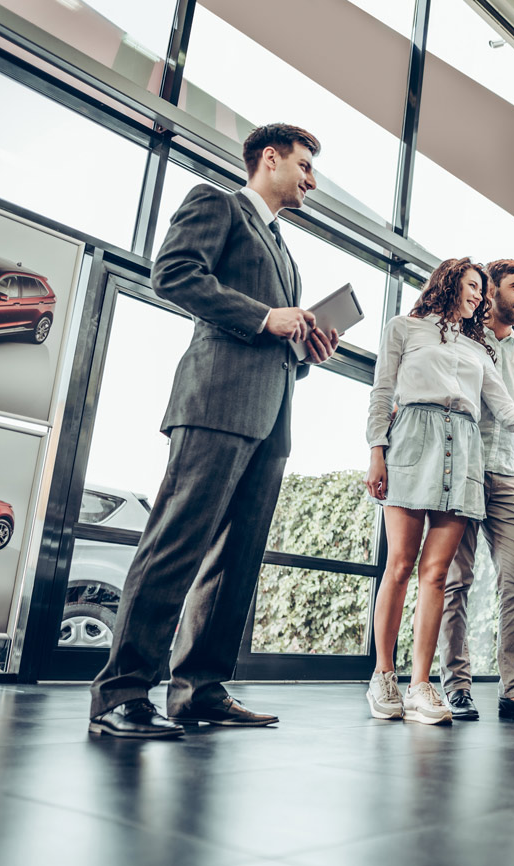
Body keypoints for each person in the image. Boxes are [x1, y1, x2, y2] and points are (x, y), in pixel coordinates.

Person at [88, 123, 337, 739]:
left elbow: (278, 331)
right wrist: (264, 316)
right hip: (217, 401)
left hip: (271, 411)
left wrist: (307, 343)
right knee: (176, 543)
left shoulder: (285, 252)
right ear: (269, 160)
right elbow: (172, 274)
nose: (310, 179)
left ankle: (199, 689)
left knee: (236, 558)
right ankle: (122, 692)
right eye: (304, 165)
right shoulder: (216, 204)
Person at [363, 258, 514, 725]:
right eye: (472, 286)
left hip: (469, 458)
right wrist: (377, 450)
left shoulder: (481, 351)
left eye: (479, 289)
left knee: (441, 575)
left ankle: (422, 686)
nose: (476, 295)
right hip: (413, 444)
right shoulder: (404, 329)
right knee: (402, 566)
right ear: (452, 283)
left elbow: (513, 415)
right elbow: (382, 392)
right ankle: (387, 676)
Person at [435, 259, 514, 722]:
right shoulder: (464, 339)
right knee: (454, 580)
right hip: (463, 471)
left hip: (510, 476)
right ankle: (457, 686)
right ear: (491, 291)